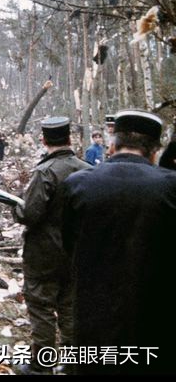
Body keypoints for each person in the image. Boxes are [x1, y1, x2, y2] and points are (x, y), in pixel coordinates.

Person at [62, 110, 176, 375]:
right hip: (155, 315)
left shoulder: (78, 184)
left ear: (112, 145)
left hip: (93, 313)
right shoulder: (170, 188)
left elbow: (69, 245)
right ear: (154, 151)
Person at [12, 117, 90, 375]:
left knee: (42, 308)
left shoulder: (44, 172)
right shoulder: (87, 169)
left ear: (44, 140)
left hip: (44, 254)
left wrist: (16, 207)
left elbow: (30, 214)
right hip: (77, 251)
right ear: (69, 138)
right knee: (70, 307)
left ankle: (40, 367)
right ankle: (72, 364)